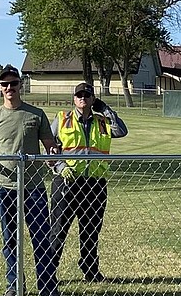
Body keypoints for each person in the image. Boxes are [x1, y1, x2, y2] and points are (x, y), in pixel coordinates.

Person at [0, 66, 63, 296]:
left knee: (41, 237)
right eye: (4, 84)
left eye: (13, 83)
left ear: (20, 85)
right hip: (3, 187)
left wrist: (53, 154)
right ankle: (14, 285)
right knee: (10, 238)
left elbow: (49, 146)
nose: (9, 88)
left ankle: (47, 286)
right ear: (0, 88)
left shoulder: (36, 115)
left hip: (33, 187)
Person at [51, 83, 128, 280]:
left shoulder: (102, 121)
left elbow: (121, 131)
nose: (83, 98)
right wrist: (60, 166)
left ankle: (90, 270)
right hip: (67, 183)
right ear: (74, 99)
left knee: (91, 230)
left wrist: (106, 109)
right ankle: (49, 272)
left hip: (95, 184)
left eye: (87, 95)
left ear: (93, 99)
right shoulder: (62, 119)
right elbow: (48, 147)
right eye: (79, 95)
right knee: (58, 229)